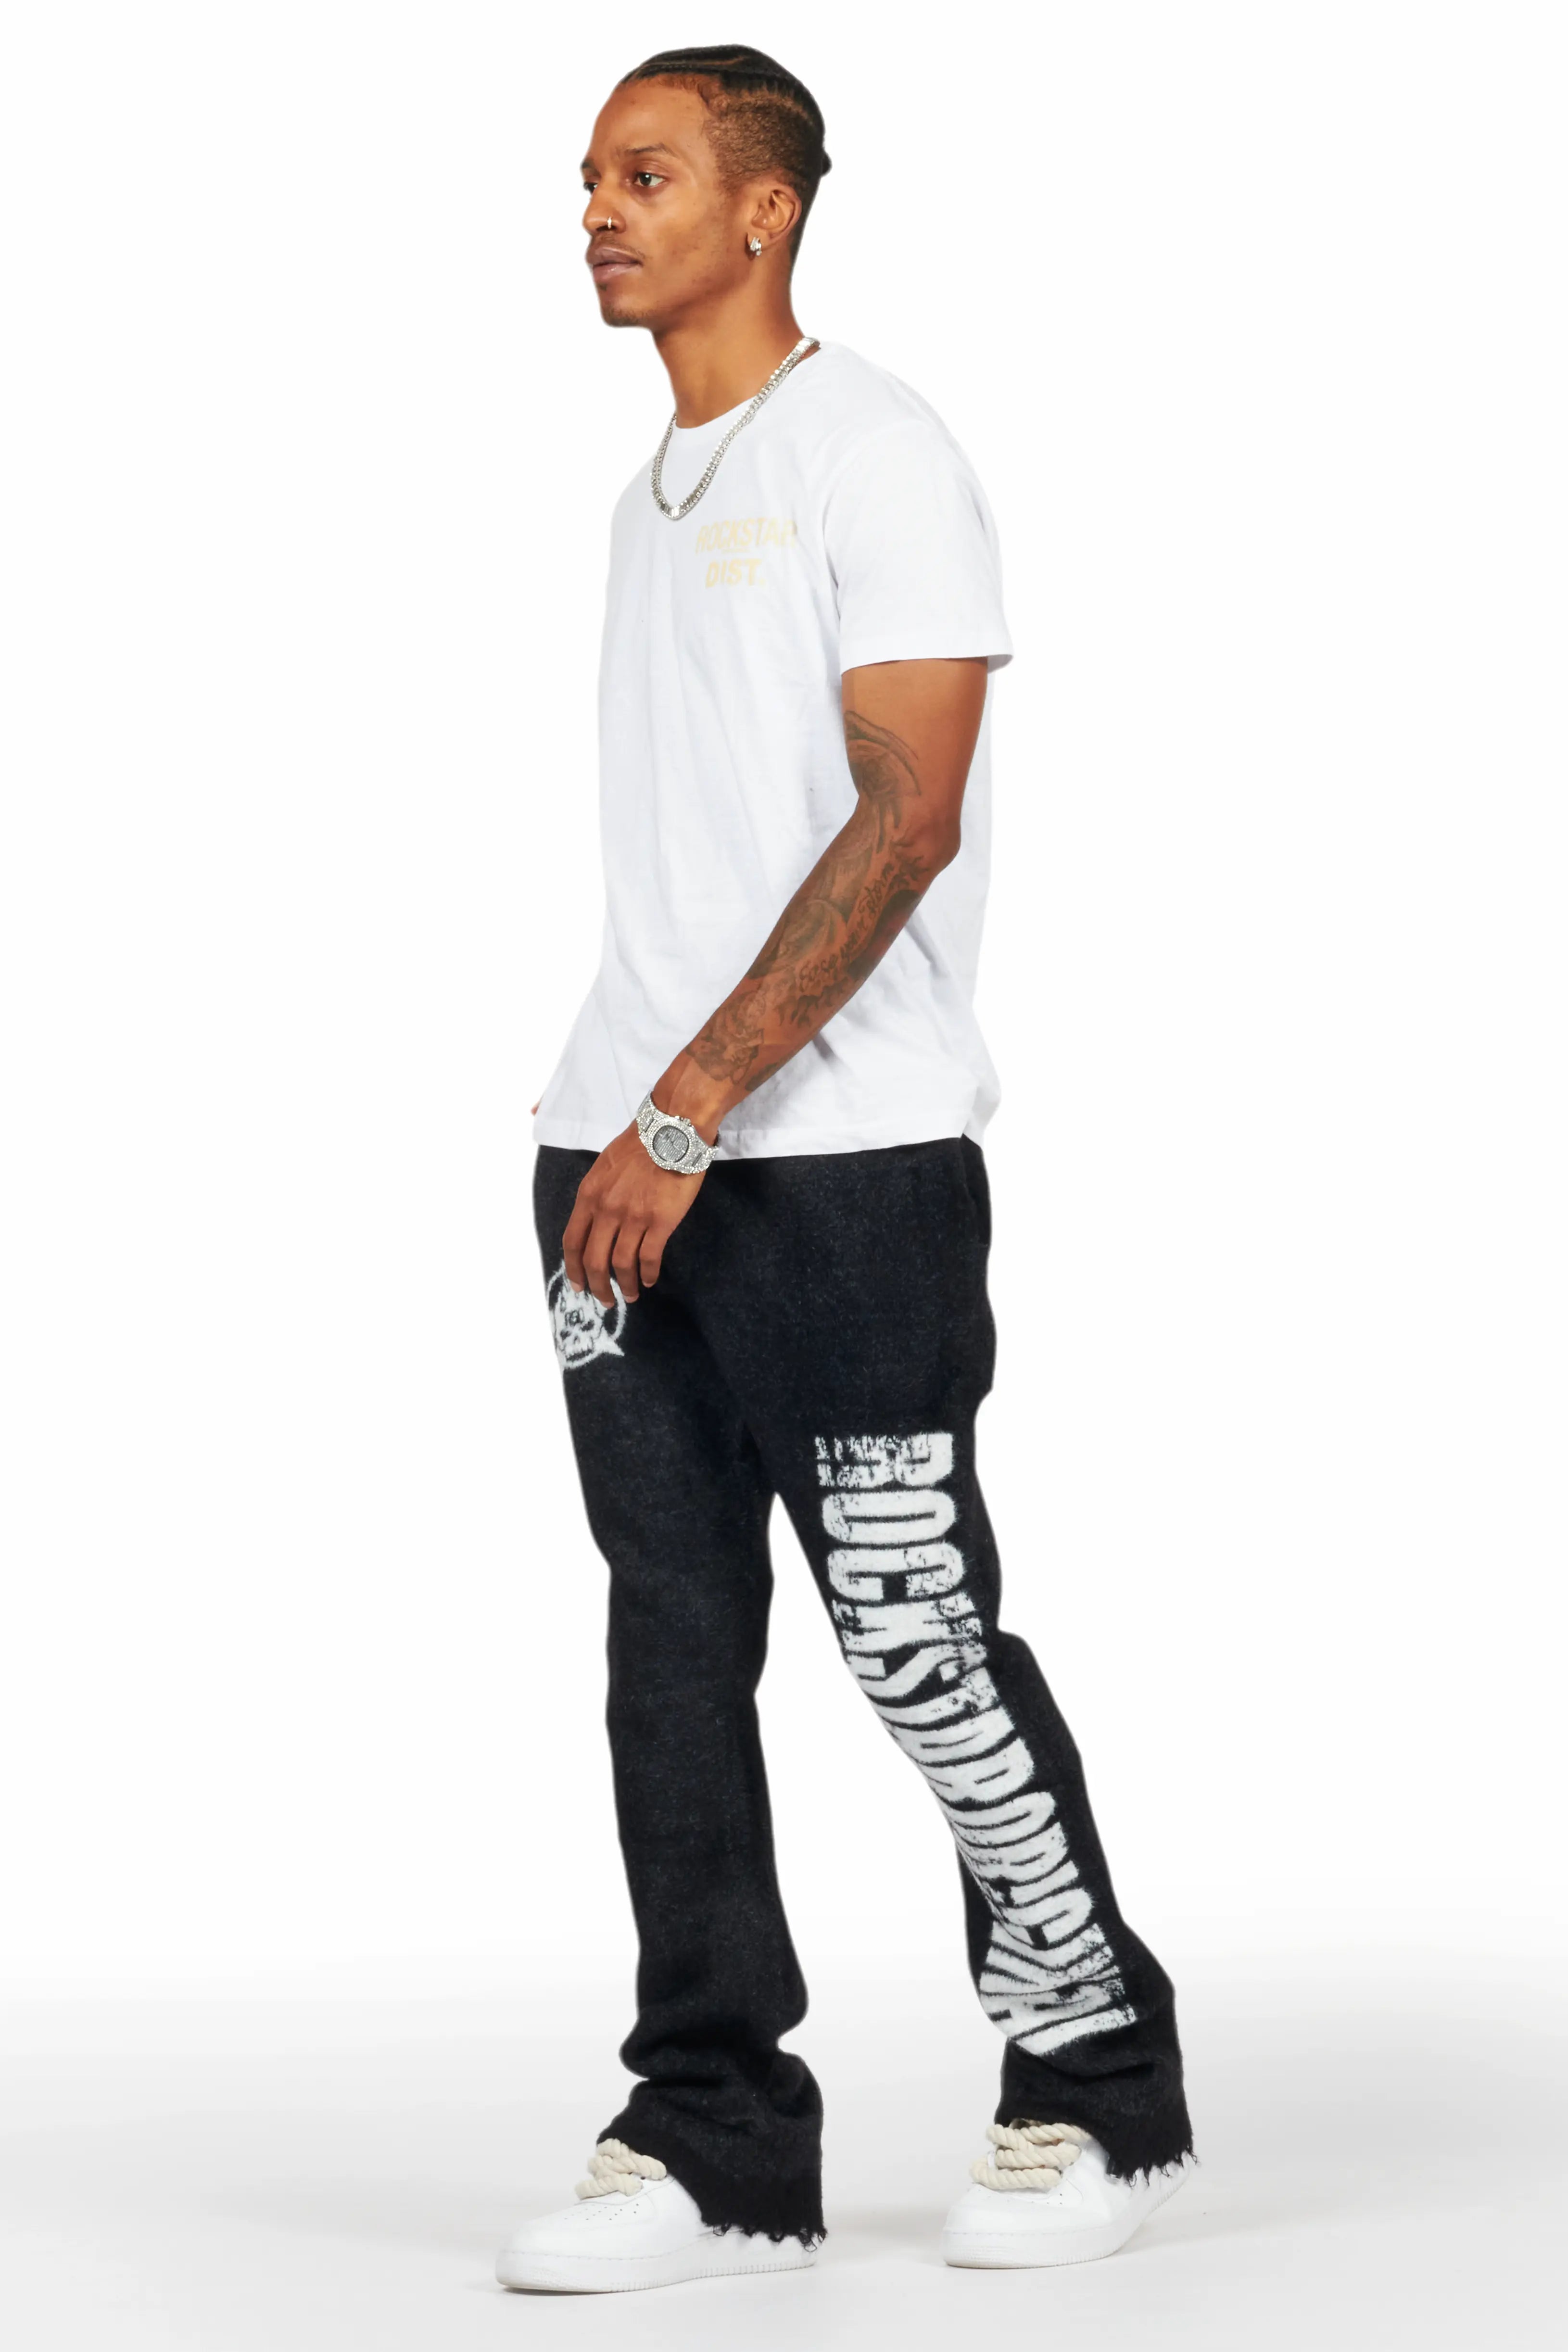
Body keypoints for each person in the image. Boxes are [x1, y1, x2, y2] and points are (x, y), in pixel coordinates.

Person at [497, 45, 1193, 2296]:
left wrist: (691, 1106)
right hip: (611, 1154)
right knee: (672, 1652)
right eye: (588, 177)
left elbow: (904, 819)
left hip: (833, 1169)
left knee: (910, 1634)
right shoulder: (649, 497)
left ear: (766, 206)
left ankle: (1092, 2069)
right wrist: (624, 1121)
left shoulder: (877, 452)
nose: (597, 210)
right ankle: (715, 2134)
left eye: (645, 172)